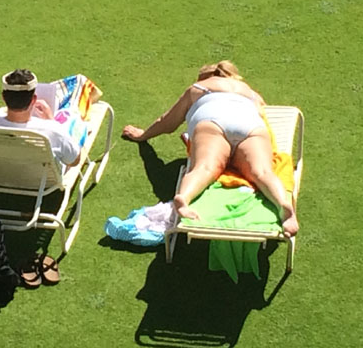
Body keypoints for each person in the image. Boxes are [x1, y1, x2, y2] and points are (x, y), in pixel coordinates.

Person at [121, 60, 299, 237]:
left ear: (205, 77)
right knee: (262, 172)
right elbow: (266, 115)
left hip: (212, 122)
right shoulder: (250, 92)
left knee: (205, 168)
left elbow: (167, 123)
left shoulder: (198, 88)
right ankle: (284, 205)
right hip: (251, 126)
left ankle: (184, 198)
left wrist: (142, 135)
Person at [0, 69, 81, 167]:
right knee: (75, 122)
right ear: (33, 100)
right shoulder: (52, 130)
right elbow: (73, 161)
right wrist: (51, 121)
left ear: (3, 98)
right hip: (42, 185)